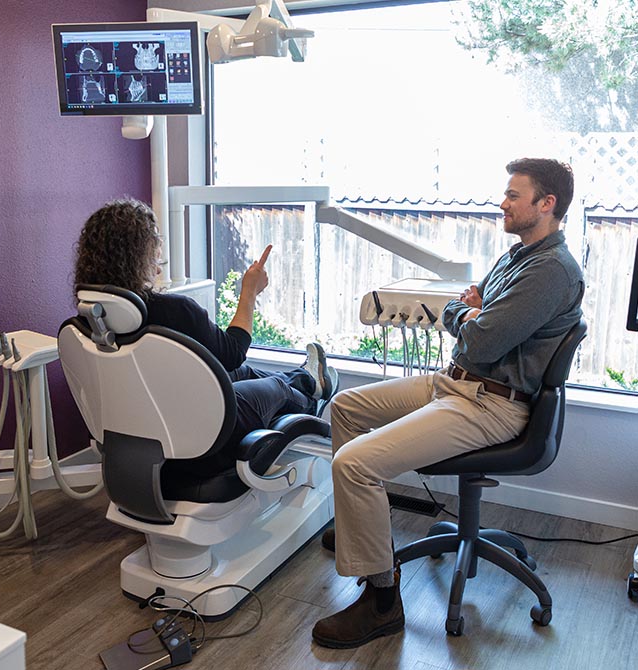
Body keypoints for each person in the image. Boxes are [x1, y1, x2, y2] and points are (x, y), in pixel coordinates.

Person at [312, 158, 585, 649]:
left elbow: (479, 337)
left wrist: (464, 314)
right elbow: (478, 312)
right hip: (455, 382)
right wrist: (475, 313)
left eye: (514, 196)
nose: (503, 203)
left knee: (353, 465)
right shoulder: (519, 256)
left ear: (547, 205)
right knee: (346, 408)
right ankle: (362, 536)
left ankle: (382, 602)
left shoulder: (552, 272)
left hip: (490, 404)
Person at [73, 198, 337, 492]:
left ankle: (305, 378)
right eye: (155, 251)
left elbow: (227, 364)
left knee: (242, 374)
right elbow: (232, 351)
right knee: (274, 386)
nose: (159, 262)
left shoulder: (89, 321)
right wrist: (249, 292)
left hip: (146, 439)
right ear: (139, 256)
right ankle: (311, 393)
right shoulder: (175, 311)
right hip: (207, 442)